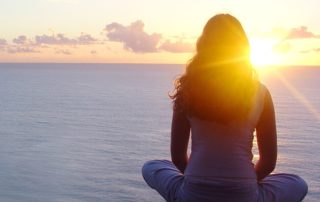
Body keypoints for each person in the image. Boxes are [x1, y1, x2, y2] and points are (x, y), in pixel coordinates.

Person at [142, 14, 308, 202]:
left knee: (152, 166)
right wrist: (245, 182)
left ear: (203, 47)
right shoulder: (261, 93)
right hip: (243, 194)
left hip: (193, 193)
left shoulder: (188, 91)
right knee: (296, 183)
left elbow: (178, 157)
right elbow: (268, 163)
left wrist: (198, 179)